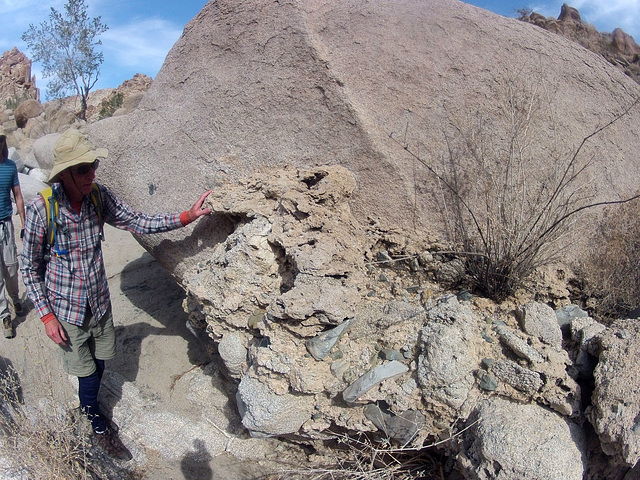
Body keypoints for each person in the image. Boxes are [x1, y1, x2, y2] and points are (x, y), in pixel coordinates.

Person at [20, 129, 212, 460]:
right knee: (86, 370)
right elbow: (29, 268)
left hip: (99, 303)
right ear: (64, 174)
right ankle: (95, 422)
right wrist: (47, 316)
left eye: (93, 165)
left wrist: (186, 216)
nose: (91, 173)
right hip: (66, 310)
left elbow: (136, 220)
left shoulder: (98, 196)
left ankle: (90, 401)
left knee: (101, 361)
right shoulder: (43, 210)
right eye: (82, 169)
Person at [0, 131, 25, 339]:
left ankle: (15, 298)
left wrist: (24, 224)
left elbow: (17, 195)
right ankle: (4, 315)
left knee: (11, 268)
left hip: (6, 224)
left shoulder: (9, 166)